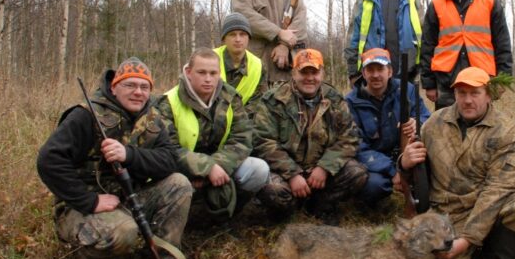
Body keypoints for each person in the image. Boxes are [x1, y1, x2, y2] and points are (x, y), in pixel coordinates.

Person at [36, 57, 192, 259]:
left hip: (129, 199)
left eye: (144, 87)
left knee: (179, 183)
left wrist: (128, 155)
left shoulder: (154, 119)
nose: (138, 92)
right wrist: (90, 200)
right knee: (125, 231)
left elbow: (169, 160)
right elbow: (49, 160)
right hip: (82, 208)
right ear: (114, 87)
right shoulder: (86, 115)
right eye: (130, 85)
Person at [399, 67, 515, 259]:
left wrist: (466, 240)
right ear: (454, 94)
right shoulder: (434, 123)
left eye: (475, 93)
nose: (467, 100)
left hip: (490, 209)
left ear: (488, 95)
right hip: (446, 213)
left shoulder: (506, 130)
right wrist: (405, 161)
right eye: (462, 93)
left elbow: (499, 189)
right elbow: (410, 176)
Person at [252, 49, 368, 224]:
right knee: (273, 190)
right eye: (303, 72)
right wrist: (292, 174)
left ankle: (321, 205)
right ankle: (286, 211)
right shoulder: (273, 100)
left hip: (319, 171)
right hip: (285, 172)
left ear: (322, 73)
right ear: (293, 73)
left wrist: (325, 167)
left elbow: (349, 138)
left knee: (357, 173)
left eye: (314, 72)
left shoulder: (334, 99)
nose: (309, 78)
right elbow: (263, 141)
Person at [156, 48, 269, 222]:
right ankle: (185, 216)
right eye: (201, 72)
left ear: (219, 74)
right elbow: (168, 149)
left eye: (213, 73)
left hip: (221, 168)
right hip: (183, 170)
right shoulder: (168, 101)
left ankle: (227, 215)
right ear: (188, 72)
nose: (208, 79)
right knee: (174, 180)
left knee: (259, 169)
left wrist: (217, 165)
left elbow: (242, 138)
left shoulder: (230, 97)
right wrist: (206, 167)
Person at [419, 0, 512, 109]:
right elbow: (428, 45)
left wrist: (502, 79)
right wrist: (429, 83)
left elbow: (502, 43)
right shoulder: (436, 5)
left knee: (483, 129)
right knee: (446, 129)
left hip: (482, 78)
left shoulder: (489, 1)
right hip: (446, 80)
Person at [345, 47, 430, 205]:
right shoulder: (350, 102)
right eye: (370, 70)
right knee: (373, 186)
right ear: (363, 74)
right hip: (375, 162)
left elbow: (427, 117)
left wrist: (417, 123)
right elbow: (357, 146)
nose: (376, 75)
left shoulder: (407, 89)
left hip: (407, 155)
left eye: (380, 69)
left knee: (430, 174)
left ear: (390, 71)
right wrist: (394, 170)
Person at [343, 0, 423, 83]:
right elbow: (353, 38)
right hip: (371, 75)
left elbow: (422, 38)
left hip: (406, 75)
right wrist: (353, 73)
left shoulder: (412, 0)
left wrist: (420, 71)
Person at [215, 12, 266, 109]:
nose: (238, 39)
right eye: (232, 34)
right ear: (224, 38)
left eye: (242, 34)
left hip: (244, 120)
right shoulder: (209, 59)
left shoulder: (258, 66)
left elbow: (257, 104)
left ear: (248, 38)